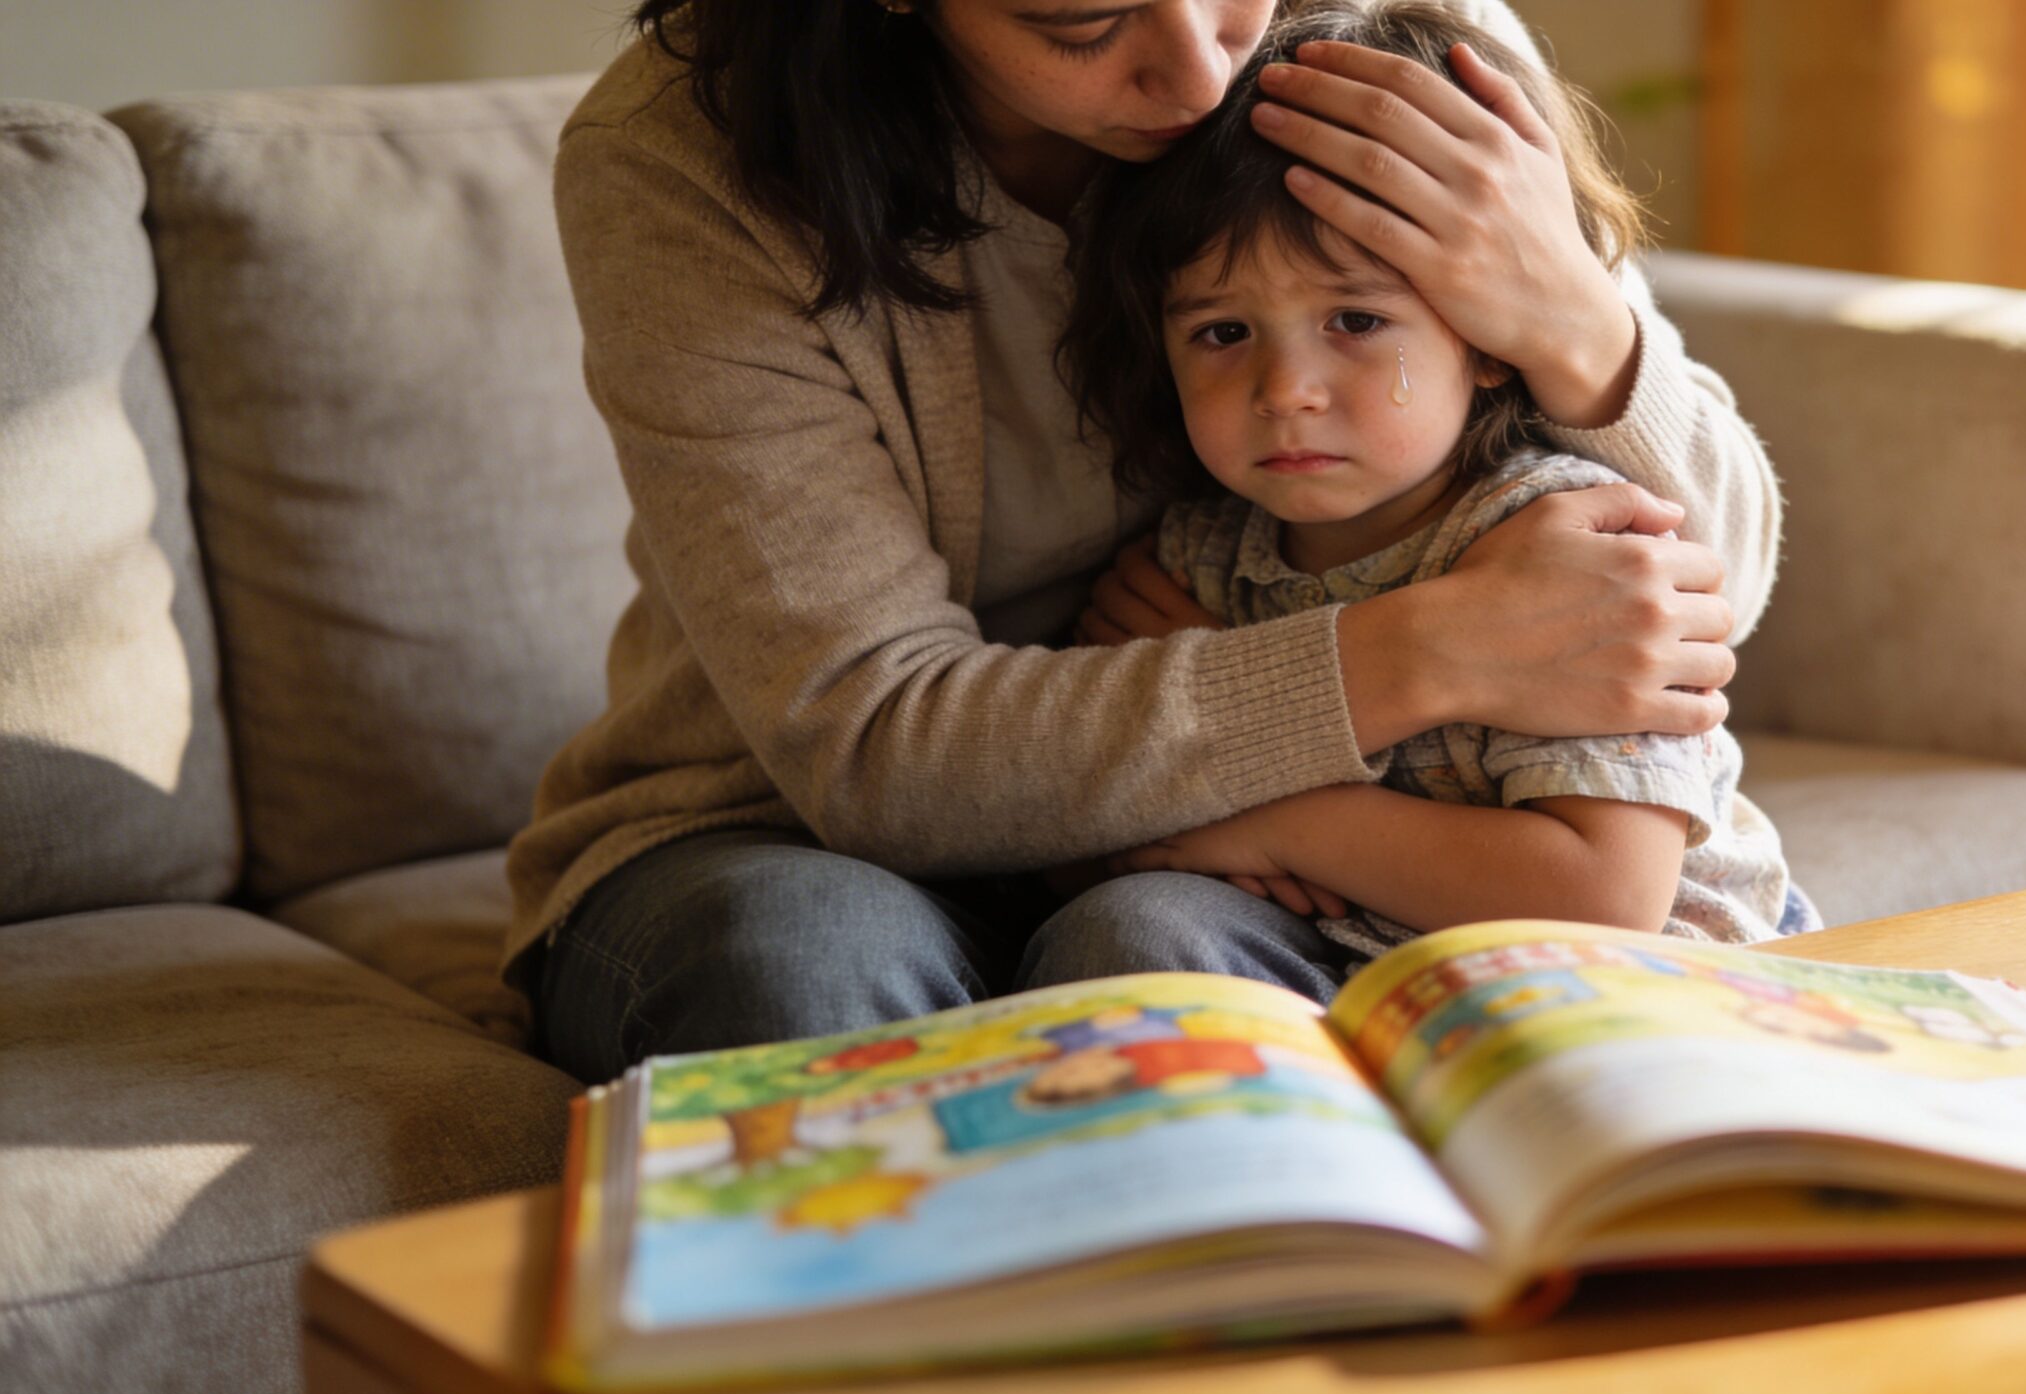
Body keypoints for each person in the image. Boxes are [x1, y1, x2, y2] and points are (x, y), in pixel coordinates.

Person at [509, 0, 1787, 1084]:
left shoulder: (1392, 48)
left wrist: (1568, 313)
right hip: (782, 831)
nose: (1198, 72)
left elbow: (1701, 588)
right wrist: (1434, 650)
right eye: (1082, 20)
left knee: (1144, 949)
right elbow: (872, 753)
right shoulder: (691, 165)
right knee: (803, 969)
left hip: (1227, 853)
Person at [1063, 0, 1813, 967]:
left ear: (1494, 335)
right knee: (1125, 929)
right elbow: (1104, 823)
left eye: (1357, 322)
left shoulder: (1564, 549)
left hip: (1638, 985)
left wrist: (1282, 817)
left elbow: (1605, 898)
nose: (1285, 393)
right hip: (1356, 958)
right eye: (1222, 333)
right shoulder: (1194, 561)